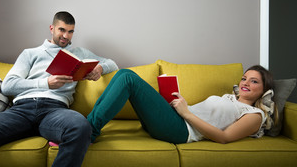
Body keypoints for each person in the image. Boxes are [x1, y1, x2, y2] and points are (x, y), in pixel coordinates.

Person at [0, 11, 118, 167]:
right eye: (62, 30)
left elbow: (112, 63)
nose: (66, 36)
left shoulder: (79, 53)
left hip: (55, 111)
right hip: (22, 110)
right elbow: (8, 85)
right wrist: (46, 83)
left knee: (81, 127)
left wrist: (99, 69)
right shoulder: (31, 53)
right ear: (52, 28)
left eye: (70, 31)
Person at [87, 65, 278, 144]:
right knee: (123, 74)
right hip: (176, 118)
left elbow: (224, 137)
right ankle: (86, 127)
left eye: (254, 81)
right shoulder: (229, 98)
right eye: (244, 78)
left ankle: (87, 132)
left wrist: (186, 113)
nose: (245, 83)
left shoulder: (254, 115)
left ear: (264, 89)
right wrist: (178, 105)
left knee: (128, 78)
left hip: (181, 130)